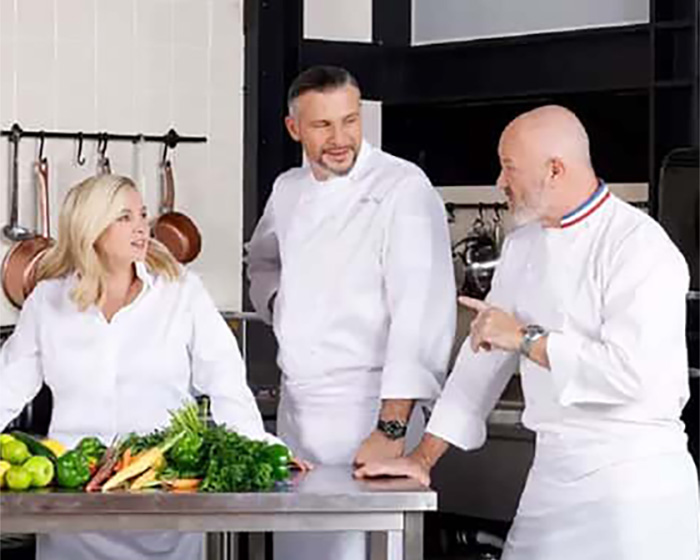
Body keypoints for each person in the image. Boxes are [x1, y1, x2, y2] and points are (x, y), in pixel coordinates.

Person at [355, 105, 700, 560]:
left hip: (634, 487)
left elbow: (632, 375)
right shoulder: (522, 245)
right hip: (552, 481)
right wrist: (422, 458)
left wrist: (526, 339)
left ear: (555, 170)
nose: (500, 181)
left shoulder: (640, 247)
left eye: (509, 167)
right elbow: (481, 362)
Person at [0, 174, 283, 560]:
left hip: (162, 496)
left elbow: (225, 380)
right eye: (124, 217)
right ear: (90, 228)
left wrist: (257, 446)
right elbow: (9, 385)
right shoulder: (48, 302)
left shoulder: (181, 292)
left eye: (142, 214)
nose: (142, 227)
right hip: (75, 503)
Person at [246, 65, 456, 560]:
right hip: (299, 418)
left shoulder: (403, 187)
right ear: (294, 128)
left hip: (371, 413)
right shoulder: (288, 189)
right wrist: (280, 305)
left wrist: (391, 430)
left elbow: (420, 315)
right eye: (323, 125)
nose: (340, 139)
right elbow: (262, 260)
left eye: (350, 121)